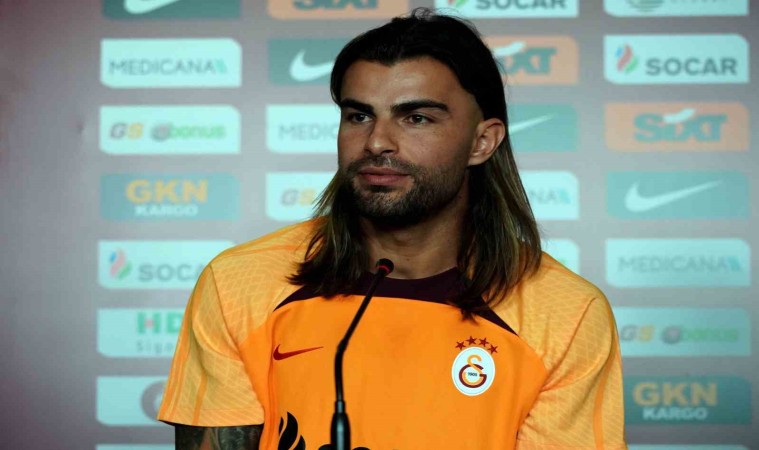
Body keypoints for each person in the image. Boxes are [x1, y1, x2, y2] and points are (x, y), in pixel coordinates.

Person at [158, 8, 627, 450]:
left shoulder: (567, 313)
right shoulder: (238, 283)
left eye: (416, 118)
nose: (377, 142)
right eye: (359, 116)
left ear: (482, 142)